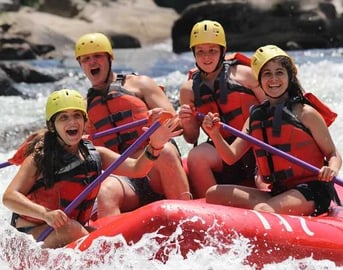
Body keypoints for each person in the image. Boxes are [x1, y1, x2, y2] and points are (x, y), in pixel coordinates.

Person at [2, 89, 181, 248]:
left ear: (85, 121)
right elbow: (9, 197)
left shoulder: (97, 154)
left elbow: (137, 169)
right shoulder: (39, 159)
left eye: (76, 115)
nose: (72, 122)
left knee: (107, 238)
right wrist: (46, 214)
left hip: (70, 227)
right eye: (63, 117)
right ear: (52, 126)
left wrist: (155, 145)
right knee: (72, 230)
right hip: (31, 234)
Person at [203, 44, 341, 216]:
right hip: (280, 190)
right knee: (214, 193)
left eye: (279, 72)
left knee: (263, 210)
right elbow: (230, 157)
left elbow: (332, 153)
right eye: (267, 73)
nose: (273, 79)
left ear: (290, 76)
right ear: (259, 81)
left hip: (312, 190)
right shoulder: (256, 116)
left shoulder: (306, 113)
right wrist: (214, 134)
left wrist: (332, 170)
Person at [74, 32, 191, 217]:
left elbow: (177, 126)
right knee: (105, 191)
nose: (92, 62)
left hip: (157, 169)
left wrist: (161, 121)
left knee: (166, 151)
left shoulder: (141, 84)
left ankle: (187, 220)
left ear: (109, 58)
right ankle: (111, 244)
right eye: (86, 59)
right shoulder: (82, 109)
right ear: (81, 65)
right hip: (125, 178)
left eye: (98, 56)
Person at [178, 20, 266, 198]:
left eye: (212, 50)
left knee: (263, 182)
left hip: (257, 146)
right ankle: (212, 209)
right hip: (222, 150)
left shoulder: (245, 75)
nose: (206, 57)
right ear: (194, 54)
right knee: (196, 157)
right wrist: (187, 121)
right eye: (200, 51)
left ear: (223, 51)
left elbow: (270, 108)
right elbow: (191, 137)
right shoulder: (188, 90)